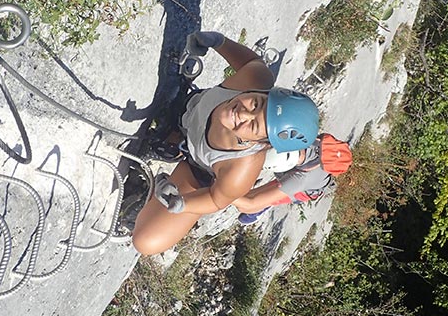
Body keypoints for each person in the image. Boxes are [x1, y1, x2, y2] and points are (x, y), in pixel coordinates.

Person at [130, 31, 320, 255]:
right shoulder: (255, 80)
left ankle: (149, 183)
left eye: (254, 126)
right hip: (186, 111)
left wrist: (182, 203)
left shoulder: (240, 171)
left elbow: (215, 198)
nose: (244, 114)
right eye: (257, 103)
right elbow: (251, 62)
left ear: (264, 143)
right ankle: (168, 138)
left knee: (146, 242)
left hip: (197, 168)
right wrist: (218, 42)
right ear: (264, 93)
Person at [233, 133, 353, 225]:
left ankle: (257, 212)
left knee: (253, 203)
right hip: (302, 171)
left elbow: (249, 203)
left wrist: (221, 192)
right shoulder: (305, 137)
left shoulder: (299, 180)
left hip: (305, 189)